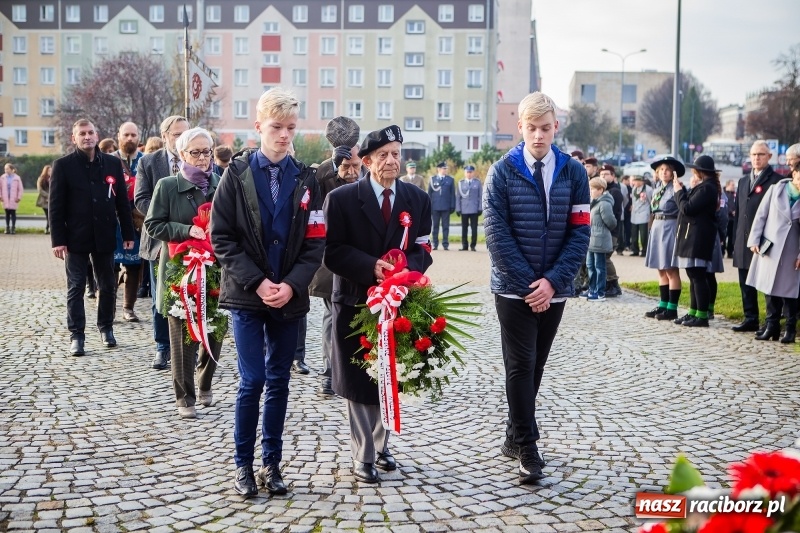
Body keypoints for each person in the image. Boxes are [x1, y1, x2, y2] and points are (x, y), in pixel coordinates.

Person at [209, 88, 324, 498]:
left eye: (291, 128)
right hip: (247, 293)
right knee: (252, 379)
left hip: (288, 297)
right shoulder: (235, 177)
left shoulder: (306, 179)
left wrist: (292, 285)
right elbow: (221, 238)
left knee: (279, 380)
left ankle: (271, 464)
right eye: (276, 127)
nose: (284, 136)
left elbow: (315, 243)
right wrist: (258, 281)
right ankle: (242, 465)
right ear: (258, 127)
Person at [484, 92, 590, 484]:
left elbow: (580, 234)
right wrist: (532, 284)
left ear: (555, 126)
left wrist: (553, 282)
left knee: (537, 365)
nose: (539, 136)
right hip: (513, 290)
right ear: (521, 128)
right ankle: (528, 445)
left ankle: (513, 434)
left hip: (555, 288)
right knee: (521, 364)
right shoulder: (502, 171)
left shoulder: (574, 172)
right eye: (531, 128)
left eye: (546, 128)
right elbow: (496, 234)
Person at [324, 124, 433, 484]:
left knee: (390, 372)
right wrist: (370, 266)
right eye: (383, 155)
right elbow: (331, 252)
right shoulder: (341, 199)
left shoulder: (417, 200)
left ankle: (381, 447)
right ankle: (363, 454)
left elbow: (423, 248)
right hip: (356, 301)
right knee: (359, 379)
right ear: (367, 161)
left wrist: (405, 269)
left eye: (397, 154)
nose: (392, 161)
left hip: (399, 302)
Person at [145, 127, 223, 418]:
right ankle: (184, 397)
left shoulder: (221, 183)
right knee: (181, 336)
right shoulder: (167, 185)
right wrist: (185, 230)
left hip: (215, 269)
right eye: (195, 152)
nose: (202, 158)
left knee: (214, 330)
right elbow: (153, 225)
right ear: (181, 154)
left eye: (207, 151)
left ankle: (205, 384)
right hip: (180, 271)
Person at [49, 119, 134, 356]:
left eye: (90, 132)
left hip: (105, 235)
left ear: (97, 135)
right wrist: (58, 240)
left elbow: (122, 203)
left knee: (107, 285)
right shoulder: (62, 166)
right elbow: (55, 206)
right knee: (76, 286)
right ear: (73, 138)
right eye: (82, 134)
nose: (87, 137)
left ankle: (106, 327)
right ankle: (77, 335)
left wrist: (127, 233)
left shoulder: (112, 164)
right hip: (74, 237)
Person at [307, 116, 362, 396]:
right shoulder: (325, 177)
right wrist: (333, 164)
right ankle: (330, 372)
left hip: (365, 261)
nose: (351, 171)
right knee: (333, 316)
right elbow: (312, 185)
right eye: (346, 165)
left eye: (356, 165)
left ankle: (358, 368)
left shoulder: (368, 177)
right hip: (333, 263)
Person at [135, 115, 190, 370]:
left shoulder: (196, 158)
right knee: (162, 296)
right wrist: (166, 216)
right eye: (177, 135)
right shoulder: (148, 162)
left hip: (192, 240)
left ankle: (192, 345)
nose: (182, 139)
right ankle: (162, 347)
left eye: (185, 134)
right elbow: (141, 199)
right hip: (160, 240)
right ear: (165, 135)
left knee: (192, 293)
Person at [731, 141, 783, 332]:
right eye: (753, 155)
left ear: (769, 157)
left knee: (768, 283)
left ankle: (771, 321)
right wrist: (736, 240)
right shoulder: (743, 181)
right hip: (743, 239)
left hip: (765, 241)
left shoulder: (776, 181)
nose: (756, 158)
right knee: (745, 281)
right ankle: (750, 317)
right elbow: (738, 211)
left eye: (760, 154)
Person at [745, 164, 800, 343]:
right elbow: (761, 214)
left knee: (790, 291)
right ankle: (771, 326)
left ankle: (790, 329)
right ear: (794, 174)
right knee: (769, 287)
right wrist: (754, 239)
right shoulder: (777, 189)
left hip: (792, 250)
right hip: (771, 246)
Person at [672, 155, 722, 328]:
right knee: (693, 275)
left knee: (698, 276)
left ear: (700, 171)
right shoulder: (704, 186)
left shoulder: (708, 188)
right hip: (692, 236)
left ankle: (702, 315)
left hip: (698, 237)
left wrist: (678, 191)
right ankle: (694, 312)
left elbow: (687, 208)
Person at [644, 156, 686, 320]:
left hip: (670, 227)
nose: (664, 172)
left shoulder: (676, 188)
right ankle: (663, 304)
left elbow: (682, 208)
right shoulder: (657, 189)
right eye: (661, 169)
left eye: (667, 169)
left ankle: (672, 308)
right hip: (657, 227)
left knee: (670, 269)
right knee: (660, 269)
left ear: (673, 173)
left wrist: (678, 190)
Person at [112, 122, 145, 323]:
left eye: (133, 135)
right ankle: (107, 307)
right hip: (113, 221)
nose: (130, 138)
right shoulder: (108, 160)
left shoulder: (145, 161)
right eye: (126, 135)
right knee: (110, 266)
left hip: (136, 220)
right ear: (119, 136)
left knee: (134, 266)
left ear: (138, 137)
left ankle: (128, 308)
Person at [586, 177, 616, 301]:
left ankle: (600, 292)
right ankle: (591, 289)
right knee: (590, 265)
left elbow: (611, 222)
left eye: (592, 189)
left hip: (600, 240)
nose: (590, 191)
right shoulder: (593, 202)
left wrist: (600, 229)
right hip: (591, 239)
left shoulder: (604, 203)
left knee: (599, 267)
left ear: (600, 189)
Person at [599, 164, 623, 297]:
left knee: (605, 257)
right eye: (601, 175)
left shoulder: (615, 192)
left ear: (613, 176)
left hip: (611, 232)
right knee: (602, 258)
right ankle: (607, 284)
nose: (603, 177)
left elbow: (611, 215)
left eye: (606, 174)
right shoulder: (603, 191)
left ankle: (614, 284)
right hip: (601, 232)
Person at [428, 161, 455, 250]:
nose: (445, 170)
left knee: (445, 226)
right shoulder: (433, 180)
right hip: (435, 206)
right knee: (435, 226)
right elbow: (429, 194)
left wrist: (452, 206)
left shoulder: (450, 180)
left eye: (445, 169)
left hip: (445, 206)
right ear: (438, 169)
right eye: (443, 169)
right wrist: (429, 206)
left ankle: (445, 244)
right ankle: (435, 243)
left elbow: (452, 194)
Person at [455, 164, 482, 251]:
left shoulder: (477, 183)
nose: (469, 174)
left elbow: (480, 196)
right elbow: (458, 197)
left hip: (474, 209)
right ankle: (464, 245)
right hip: (464, 209)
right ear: (465, 173)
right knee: (464, 228)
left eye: (470, 172)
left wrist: (480, 208)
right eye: (467, 172)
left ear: (473, 173)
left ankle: (473, 245)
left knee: (474, 228)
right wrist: (458, 209)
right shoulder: (460, 183)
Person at [629, 175, 652, 257]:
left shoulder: (648, 189)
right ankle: (635, 250)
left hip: (643, 213)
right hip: (635, 213)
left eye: (638, 181)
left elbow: (651, 201)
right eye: (635, 181)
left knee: (643, 234)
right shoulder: (634, 189)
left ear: (642, 181)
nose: (636, 182)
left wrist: (650, 212)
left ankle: (644, 251)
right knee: (634, 233)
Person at [1, 163, 24, 235]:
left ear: (11, 169)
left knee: (13, 213)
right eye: (5, 169)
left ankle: (13, 228)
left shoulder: (17, 178)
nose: (6, 170)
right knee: (7, 214)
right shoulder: (2, 178)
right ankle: (7, 227)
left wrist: (19, 197)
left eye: (7, 169)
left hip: (13, 198)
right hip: (5, 198)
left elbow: (20, 189)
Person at [36, 165, 52, 234]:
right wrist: (48, 196)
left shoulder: (54, 178)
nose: (50, 172)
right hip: (44, 200)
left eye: (51, 170)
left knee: (51, 216)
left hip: (52, 200)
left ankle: (48, 228)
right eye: (49, 170)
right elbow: (40, 190)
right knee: (48, 216)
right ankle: (47, 228)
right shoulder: (41, 179)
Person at [620, 175, 633, 252]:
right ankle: (622, 244)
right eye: (628, 180)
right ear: (624, 180)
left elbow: (629, 199)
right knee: (622, 230)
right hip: (623, 210)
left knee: (628, 229)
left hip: (628, 211)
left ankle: (627, 244)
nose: (629, 182)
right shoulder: (621, 187)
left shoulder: (630, 189)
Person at [724, 180, 737, 258]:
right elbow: (724, 205)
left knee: (732, 236)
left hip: (733, 219)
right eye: (732, 185)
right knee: (725, 235)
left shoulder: (735, 195)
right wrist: (730, 212)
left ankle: (730, 252)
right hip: (726, 218)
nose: (734, 187)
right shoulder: (724, 194)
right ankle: (722, 251)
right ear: (728, 185)